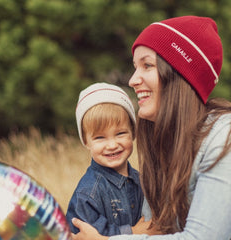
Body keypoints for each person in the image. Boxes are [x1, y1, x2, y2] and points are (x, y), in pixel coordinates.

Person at [71, 15, 231, 240]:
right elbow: (154, 229)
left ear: (179, 75)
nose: (133, 80)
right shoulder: (164, 145)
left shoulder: (224, 137)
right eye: (135, 67)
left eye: (147, 65)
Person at [66, 82, 147, 236]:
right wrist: (133, 232)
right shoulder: (88, 192)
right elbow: (85, 235)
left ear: (133, 133)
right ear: (86, 141)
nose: (112, 145)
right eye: (100, 137)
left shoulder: (141, 180)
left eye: (120, 133)